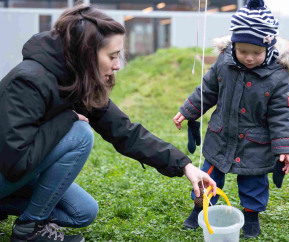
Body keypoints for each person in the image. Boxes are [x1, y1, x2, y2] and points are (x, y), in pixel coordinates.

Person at [0, 4, 217, 242]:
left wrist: (185, 165)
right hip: (9, 168)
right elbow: (16, 163)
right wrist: (67, 118)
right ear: (86, 53)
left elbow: (125, 132)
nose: (117, 65)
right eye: (112, 56)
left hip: (19, 172)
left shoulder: (76, 79)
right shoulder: (28, 81)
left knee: (82, 212)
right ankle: (29, 230)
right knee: (80, 133)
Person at [173, 0, 289, 238]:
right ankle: (200, 209)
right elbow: (208, 90)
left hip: (256, 142)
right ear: (233, 44)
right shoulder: (225, 61)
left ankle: (251, 216)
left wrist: (285, 149)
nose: (249, 58)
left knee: (253, 182)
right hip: (221, 136)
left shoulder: (277, 75)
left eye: (256, 53)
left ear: (269, 47)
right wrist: (189, 109)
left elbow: (282, 113)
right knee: (208, 176)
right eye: (243, 51)